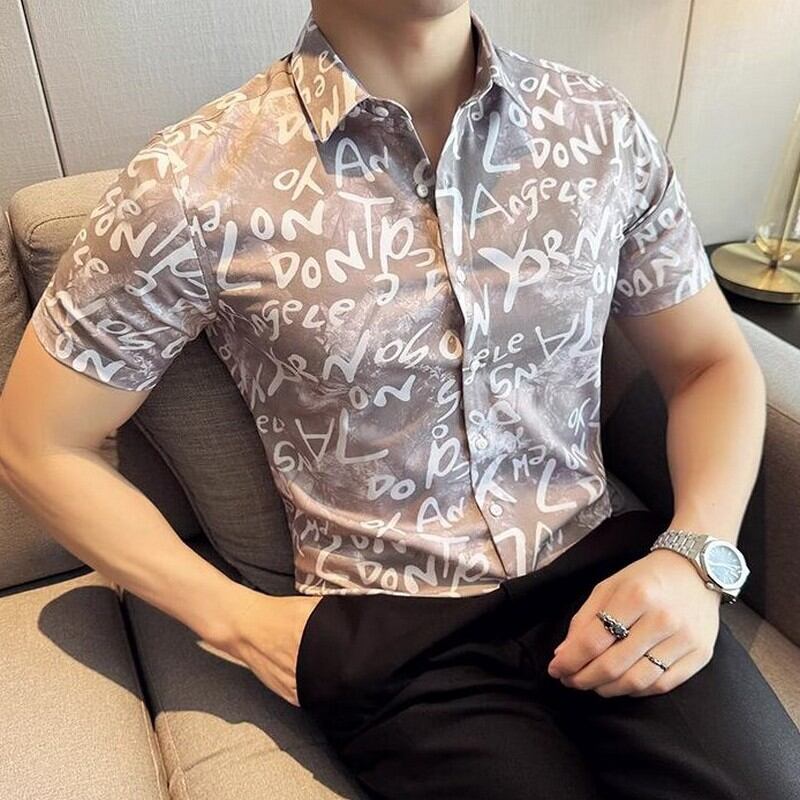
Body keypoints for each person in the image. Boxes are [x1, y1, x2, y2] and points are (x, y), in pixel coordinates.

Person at [1, 1, 798, 798]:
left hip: (604, 565)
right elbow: (36, 441)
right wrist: (234, 619)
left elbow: (709, 363)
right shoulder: (192, 180)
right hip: (392, 632)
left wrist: (695, 556)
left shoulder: (599, 129)